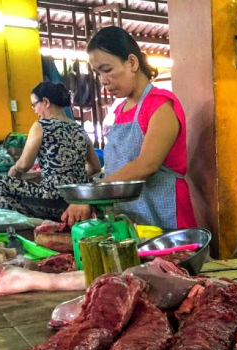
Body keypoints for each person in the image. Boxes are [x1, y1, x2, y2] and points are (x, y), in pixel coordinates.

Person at [77, 26, 196, 229]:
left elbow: (146, 165)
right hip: (131, 215)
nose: (103, 80)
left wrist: (93, 194)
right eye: (98, 73)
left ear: (132, 63)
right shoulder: (120, 109)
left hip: (163, 214)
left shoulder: (161, 105)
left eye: (107, 70)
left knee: (169, 261)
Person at [0, 82, 101, 220]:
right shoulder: (80, 129)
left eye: (34, 104)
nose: (34, 110)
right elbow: (95, 167)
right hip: (78, 199)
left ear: (46, 102)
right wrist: (70, 173)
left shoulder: (41, 126)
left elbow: (24, 165)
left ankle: (29, 223)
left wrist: (14, 169)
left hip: (53, 198)